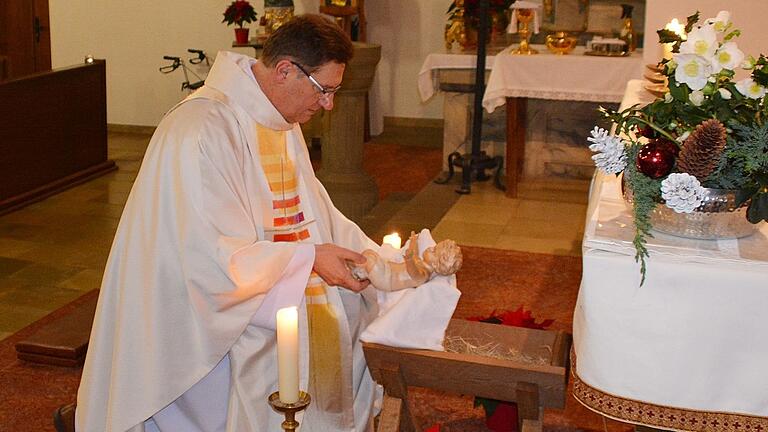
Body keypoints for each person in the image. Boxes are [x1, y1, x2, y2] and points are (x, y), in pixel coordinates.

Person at [76, 15, 382, 432]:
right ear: (285, 70)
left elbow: (314, 214)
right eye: (324, 90)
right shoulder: (202, 128)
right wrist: (308, 258)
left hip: (265, 283)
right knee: (278, 342)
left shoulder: (282, 123)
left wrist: (379, 259)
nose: (328, 104)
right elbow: (209, 260)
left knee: (355, 310)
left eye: (334, 92)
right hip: (194, 314)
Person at [351, 232, 463, 292]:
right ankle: (361, 272)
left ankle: (358, 272)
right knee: (369, 253)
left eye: (433, 251)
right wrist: (414, 241)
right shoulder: (421, 262)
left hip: (386, 280)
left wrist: (409, 259)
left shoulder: (423, 274)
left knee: (368, 258)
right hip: (386, 270)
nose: (430, 248)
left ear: (435, 264)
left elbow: (413, 272)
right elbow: (414, 253)